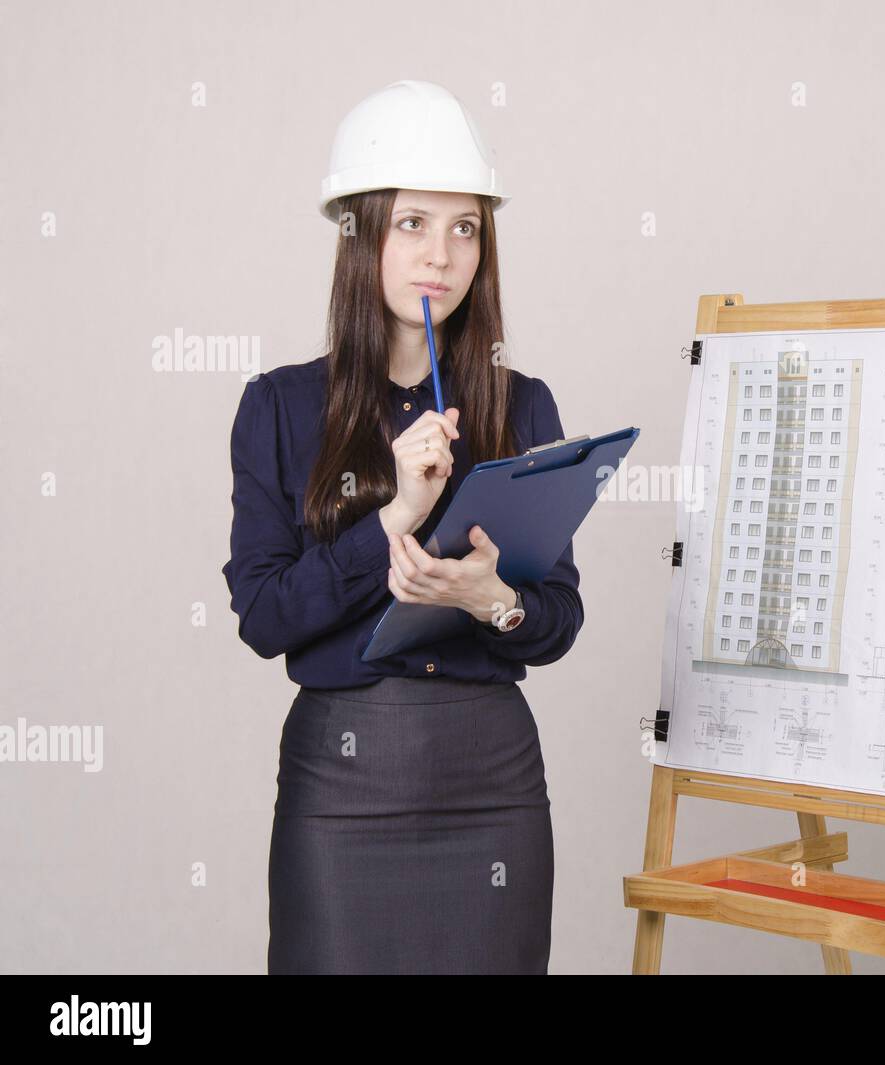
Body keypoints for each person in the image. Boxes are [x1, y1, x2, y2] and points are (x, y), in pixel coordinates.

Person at [220, 80, 582, 974]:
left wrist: (491, 598)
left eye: (465, 228)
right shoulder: (278, 407)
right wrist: (393, 517)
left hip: (492, 778)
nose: (442, 255)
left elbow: (559, 620)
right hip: (343, 784)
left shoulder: (522, 405)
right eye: (413, 222)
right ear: (359, 230)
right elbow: (265, 617)